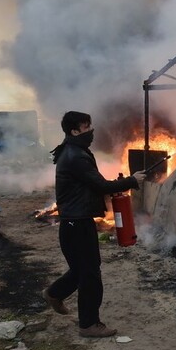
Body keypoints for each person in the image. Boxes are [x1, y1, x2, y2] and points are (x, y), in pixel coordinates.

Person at [42, 111, 146, 338]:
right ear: (74, 131)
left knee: (81, 270)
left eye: (90, 125)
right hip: (77, 224)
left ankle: (54, 293)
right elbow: (100, 185)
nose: (91, 130)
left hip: (74, 222)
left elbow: (90, 185)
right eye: (86, 127)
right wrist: (132, 181)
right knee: (89, 274)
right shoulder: (76, 156)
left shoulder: (73, 151)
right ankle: (89, 324)